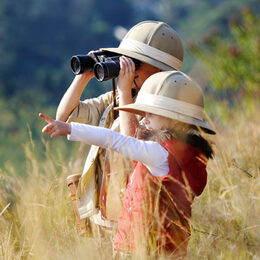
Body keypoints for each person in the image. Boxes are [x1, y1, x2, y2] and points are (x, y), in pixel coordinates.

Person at [40, 70, 215, 258]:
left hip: (141, 247)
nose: (145, 118)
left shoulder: (160, 153)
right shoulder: (187, 154)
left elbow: (114, 140)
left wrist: (70, 128)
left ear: (173, 119)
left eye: (152, 114)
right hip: (169, 247)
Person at [56, 20, 185, 233]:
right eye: (125, 60)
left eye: (136, 63)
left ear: (160, 71)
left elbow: (133, 145)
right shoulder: (115, 99)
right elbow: (65, 116)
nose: (129, 68)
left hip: (134, 216)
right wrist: (84, 76)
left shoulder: (164, 114)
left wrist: (125, 92)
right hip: (103, 213)